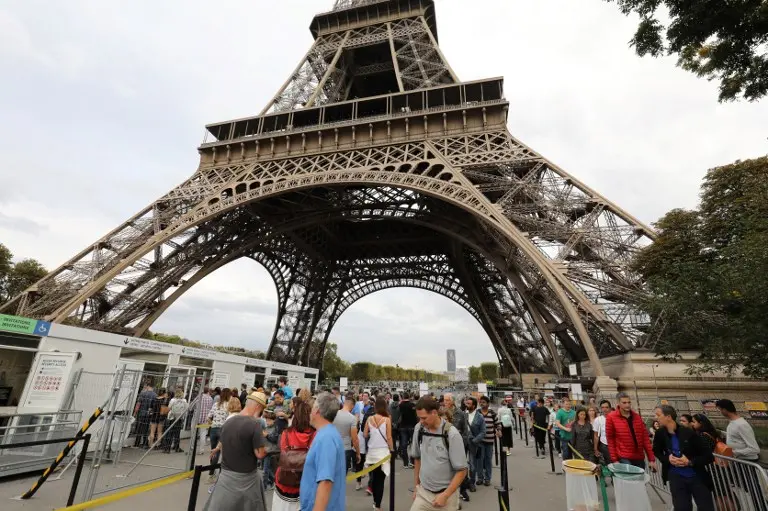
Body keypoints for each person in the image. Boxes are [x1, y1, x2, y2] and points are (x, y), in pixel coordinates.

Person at [204, 391, 268, 511]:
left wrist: (217, 448)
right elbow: (260, 454)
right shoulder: (254, 424)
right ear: (258, 406)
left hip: (225, 478)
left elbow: (223, 443)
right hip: (247, 480)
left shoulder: (228, 422)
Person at [653, 405, 715, 511]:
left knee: (706, 507)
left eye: (658, 415)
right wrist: (667, 459)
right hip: (676, 478)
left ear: (668, 417)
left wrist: (690, 462)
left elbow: (708, 456)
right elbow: (657, 451)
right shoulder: (660, 434)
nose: (655, 418)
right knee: (681, 507)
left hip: (697, 477)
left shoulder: (688, 433)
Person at [410, 396, 467, 511]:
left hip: (446, 496)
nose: (421, 421)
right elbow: (417, 458)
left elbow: (462, 470)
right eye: (419, 418)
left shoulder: (451, 434)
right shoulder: (419, 429)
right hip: (423, 493)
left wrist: (445, 495)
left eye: (424, 418)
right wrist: (416, 486)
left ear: (434, 413)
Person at [300, 392, 345, 511]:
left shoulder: (326, 438)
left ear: (317, 410)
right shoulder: (327, 434)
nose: (310, 412)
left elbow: (325, 481)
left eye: (312, 408)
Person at [273, 400, 315, 511]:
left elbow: (283, 451)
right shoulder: (315, 434)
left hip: (284, 479)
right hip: (304, 481)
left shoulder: (286, 433)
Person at [605, 392, 655, 469]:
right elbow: (610, 440)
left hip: (639, 457)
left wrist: (651, 459)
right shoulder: (611, 417)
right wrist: (615, 460)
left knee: (640, 477)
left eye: (629, 402)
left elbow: (645, 438)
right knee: (629, 476)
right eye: (624, 403)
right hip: (623, 457)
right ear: (618, 403)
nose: (627, 405)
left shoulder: (637, 417)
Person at [364, 397, 394, 511]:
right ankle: (377, 505)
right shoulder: (387, 419)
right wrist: (392, 449)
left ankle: (375, 502)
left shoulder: (370, 418)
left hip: (372, 452)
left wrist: (373, 433)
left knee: (374, 478)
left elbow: (365, 434)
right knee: (380, 480)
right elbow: (389, 437)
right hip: (383, 452)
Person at [206, 388, 232, 482]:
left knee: (213, 451)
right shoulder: (229, 406)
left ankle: (211, 473)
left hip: (213, 429)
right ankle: (218, 474)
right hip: (223, 430)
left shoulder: (215, 404)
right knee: (221, 452)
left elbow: (208, 417)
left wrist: (212, 423)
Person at [333, 393, 360, 474]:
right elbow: (354, 439)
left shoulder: (334, 414)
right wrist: (358, 453)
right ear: (352, 406)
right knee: (342, 475)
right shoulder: (352, 418)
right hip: (345, 449)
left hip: (333, 447)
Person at [477, 395, 500, 486]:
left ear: (488, 404)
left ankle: (487, 478)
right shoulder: (477, 413)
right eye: (481, 402)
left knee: (488, 460)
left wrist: (499, 430)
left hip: (489, 441)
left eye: (484, 402)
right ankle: (480, 478)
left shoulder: (492, 413)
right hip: (479, 441)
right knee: (479, 460)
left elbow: (497, 424)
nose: (482, 404)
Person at [464, 396, 485, 493]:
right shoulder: (463, 414)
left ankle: (472, 482)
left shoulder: (479, 417)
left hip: (473, 443)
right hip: (463, 442)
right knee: (462, 464)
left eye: (469, 404)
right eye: (466, 403)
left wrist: (475, 440)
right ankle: (464, 482)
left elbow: (483, 432)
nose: (467, 405)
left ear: (474, 406)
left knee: (472, 464)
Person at [399, 392, 418, 468]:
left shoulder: (400, 405)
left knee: (404, 445)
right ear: (409, 397)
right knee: (413, 444)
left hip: (403, 426)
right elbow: (416, 415)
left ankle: (405, 463)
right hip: (412, 426)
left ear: (403, 397)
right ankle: (412, 461)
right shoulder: (412, 405)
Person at [592, 400, 611, 464]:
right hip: (604, 445)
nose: (604, 409)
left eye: (606, 407)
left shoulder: (615, 418)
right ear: (600, 409)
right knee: (608, 463)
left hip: (616, 445)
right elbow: (596, 435)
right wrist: (595, 449)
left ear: (610, 408)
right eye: (602, 407)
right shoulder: (598, 419)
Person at [197, 386, 213, 454]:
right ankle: (201, 450)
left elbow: (193, 407)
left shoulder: (199, 397)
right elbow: (211, 408)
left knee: (194, 433)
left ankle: (192, 449)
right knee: (203, 434)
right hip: (205, 418)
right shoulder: (210, 398)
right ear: (208, 391)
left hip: (197, 418)